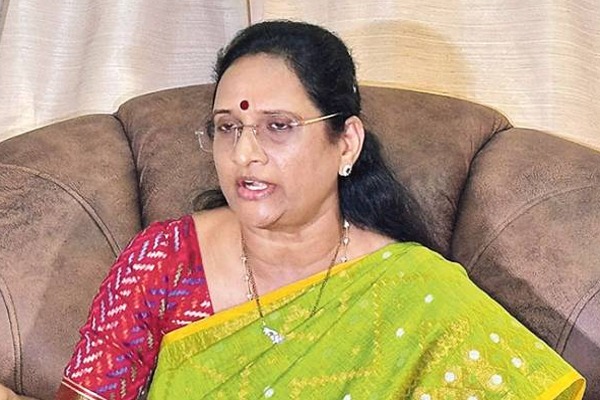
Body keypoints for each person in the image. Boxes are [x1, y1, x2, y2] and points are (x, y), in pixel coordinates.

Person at [55, 20, 585, 400]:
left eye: (278, 126)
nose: (244, 153)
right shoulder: (165, 260)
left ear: (346, 143)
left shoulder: (417, 291)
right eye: (227, 127)